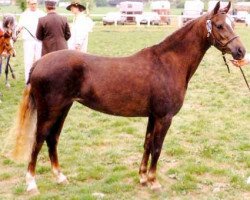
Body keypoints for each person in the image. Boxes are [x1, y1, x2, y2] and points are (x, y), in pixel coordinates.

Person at [18, 0, 45, 83]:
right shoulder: (24, 15)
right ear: (28, 4)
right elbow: (19, 26)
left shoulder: (42, 14)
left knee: (39, 60)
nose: (33, 5)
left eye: (35, 4)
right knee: (28, 61)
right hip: (28, 41)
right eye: (31, 4)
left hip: (39, 41)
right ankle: (27, 81)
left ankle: (39, 80)